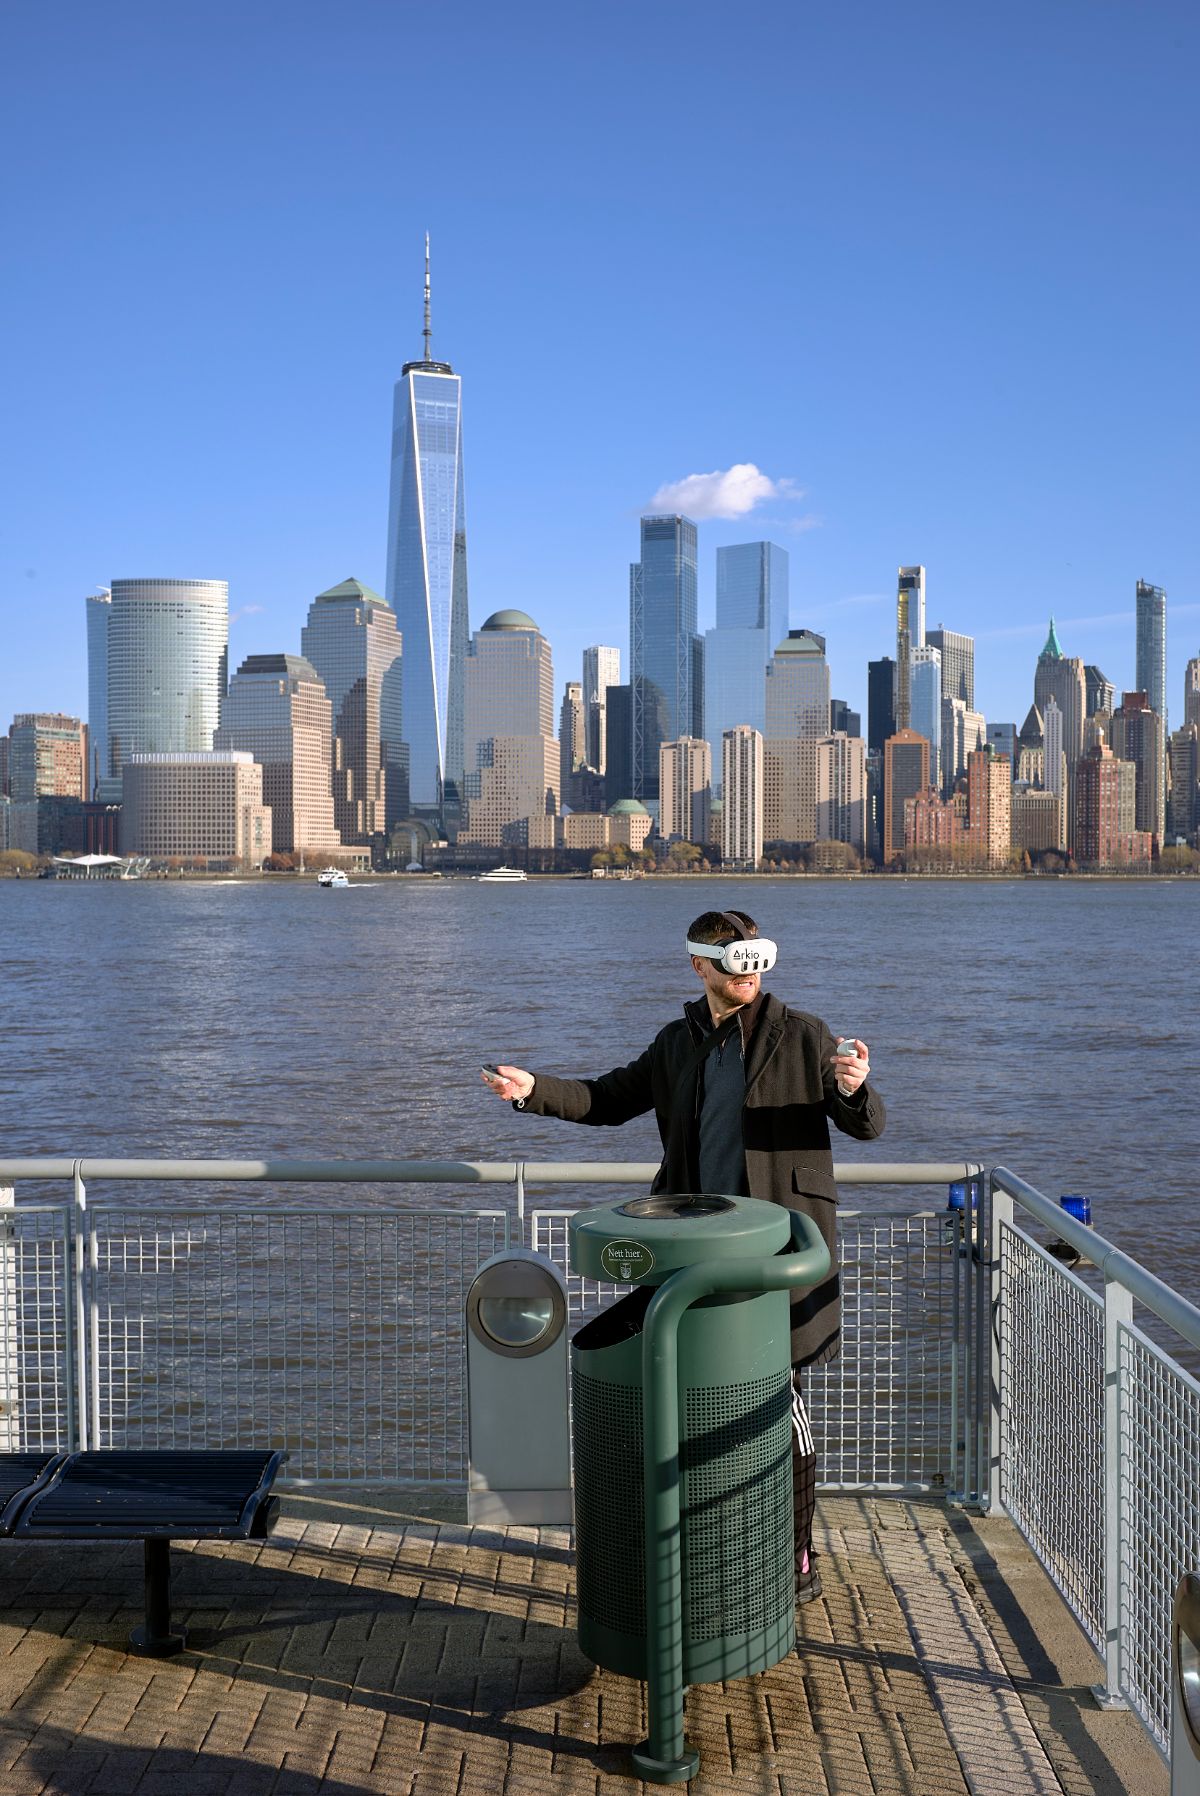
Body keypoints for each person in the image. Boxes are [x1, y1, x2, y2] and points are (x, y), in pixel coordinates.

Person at [483, 907, 885, 1606]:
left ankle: (794, 1556)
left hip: (776, 1256)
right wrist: (533, 1092)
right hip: (693, 1255)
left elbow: (866, 1123)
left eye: (756, 962)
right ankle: (703, 1545)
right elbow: (608, 1099)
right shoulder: (678, 1043)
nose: (749, 976)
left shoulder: (803, 1035)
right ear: (700, 966)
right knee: (690, 1403)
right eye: (734, 964)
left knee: (779, 1410)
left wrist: (852, 1087)